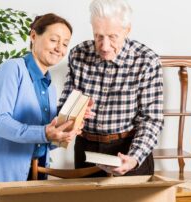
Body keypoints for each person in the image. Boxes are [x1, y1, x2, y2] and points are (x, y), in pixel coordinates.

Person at [0, 13, 90, 202]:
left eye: (65, 43)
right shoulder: (12, 69)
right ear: (33, 36)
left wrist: (65, 131)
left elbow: (41, 141)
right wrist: (46, 133)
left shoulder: (49, 87)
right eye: (54, 40)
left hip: (34, 175)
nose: (59, 48)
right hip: (0, 178)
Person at [58, 0, 164, 177]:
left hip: (129, 148)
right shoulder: (78, 54)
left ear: (127, 30)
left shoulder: (147, 61)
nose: (105, 46)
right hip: (87, 149)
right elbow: (65, 105)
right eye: (98, 36)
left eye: (112, 37)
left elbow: (151, 119)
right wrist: (74, 113)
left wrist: (133, 158)